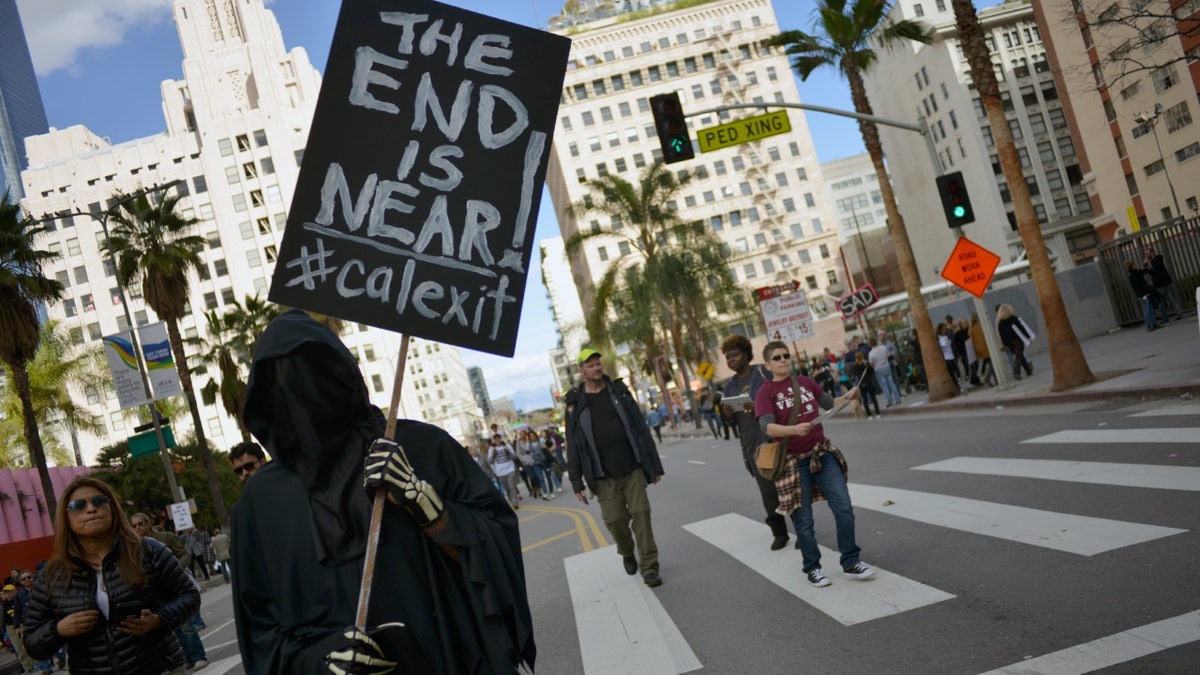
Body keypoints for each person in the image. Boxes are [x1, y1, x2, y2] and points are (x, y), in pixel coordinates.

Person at [232, 310, 534, 674]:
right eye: (286, 386)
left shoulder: (420, 448)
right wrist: (318, 661)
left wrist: (427, 506)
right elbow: (260, 631)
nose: (304, 397)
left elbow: (496, 541)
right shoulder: (262, 502)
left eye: (317, 374)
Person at [22, 477, 200, 675]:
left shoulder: (148, 551)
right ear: (66, 517)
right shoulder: (52, 575)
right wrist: (58, 630)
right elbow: (31, 641)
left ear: (112, 508)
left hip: (160, 667)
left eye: (99, 501)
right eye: (78, 505)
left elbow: (190, 596)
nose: (91, 509)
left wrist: (158, 619)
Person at [754, 341, 874, 588]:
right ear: (767, 365)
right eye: (777, 358)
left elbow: (831, 404)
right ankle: (813, 568)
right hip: (792, 462)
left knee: (843, 507)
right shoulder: (765, 392)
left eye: (786, 355)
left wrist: (850, 396)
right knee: (804, 521)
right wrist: (794, 430)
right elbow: (766, 426)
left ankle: (851, 561)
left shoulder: (805, 382)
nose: (783, 360)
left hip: (822, 453)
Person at [565, 348, 665, 588]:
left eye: (598, 364)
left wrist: (653, 464)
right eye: (590, 365)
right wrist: (576, 481)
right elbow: (574, 445)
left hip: (632, 468)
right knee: (615, 521)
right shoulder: (574, 403)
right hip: (602, 476)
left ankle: (650, 568)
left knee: (642, 515)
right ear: (582, 371)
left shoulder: (618, 390)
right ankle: (627, 550)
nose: (596, 368)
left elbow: (640, 427)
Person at [720, 334, 790, 550]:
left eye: (735, 354)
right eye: (728, 357)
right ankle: (779, 533)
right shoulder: (730, 386)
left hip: (774, 438)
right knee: (767, 492)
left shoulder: (761, 372)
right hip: (751, 446)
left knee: (789, 487)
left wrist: (760, 407)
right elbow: (732, 423)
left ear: (746, 354)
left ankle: (804, 529)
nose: (731, 359)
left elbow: (781, 397)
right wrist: (728, 413)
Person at [130, 513, 209, 668]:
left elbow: (185, 554)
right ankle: (187, 658)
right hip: (156, 593)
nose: (138, 528)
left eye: (140, 524)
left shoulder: (165, 538)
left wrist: (174, 567)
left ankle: (199, 656)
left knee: (187, 626)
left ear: (148, 524)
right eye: (134, 526)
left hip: (174, 587)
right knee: (173, 628)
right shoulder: (134, 546)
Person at [1125, 259, 1170, 331]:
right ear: (1132, 266)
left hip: (1145, 293)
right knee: (1147, 310)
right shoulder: (1132, 275)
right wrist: (1142, 295)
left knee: (1150, 309)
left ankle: (1154, 323)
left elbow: (1143, 271)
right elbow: (1137, 287)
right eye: (1135, 265)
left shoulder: (1135, 273)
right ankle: (1149, 325)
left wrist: (1147, 267)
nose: (1136, 266)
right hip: (1143, 295)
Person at [1143, 247, 1184, 319]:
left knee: (1161, 302)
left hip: (1161, 283)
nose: (1146, 255)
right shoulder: (1152, 261)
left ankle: (1165, 318)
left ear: (1152, 253)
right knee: (1170, 299)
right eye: (1145, 254)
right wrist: (1147, 265)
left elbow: (1154, 268)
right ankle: (1179, 313)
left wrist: (1147, 264)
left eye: (1147, 253)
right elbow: (1151, 272)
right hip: (1160, 284)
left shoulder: (1158, 258)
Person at [996, 304, 1035, 377]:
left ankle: (1028, 371)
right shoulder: (1014, 318)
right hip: (1017, 341)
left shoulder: (1000, 323)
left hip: (1008, 343)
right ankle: (1017, 372)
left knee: (1019, 355)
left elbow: (1001, 335)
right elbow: (1021, 328)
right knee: (1019, 356)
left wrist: (1004, 344)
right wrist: (1028, 336)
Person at [488, 433, 522, 510]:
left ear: (501, 439)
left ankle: (514, 502)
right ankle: (510, 499)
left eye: (498, 438)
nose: (497, 440)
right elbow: (490, 462)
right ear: (494, 440)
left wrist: (508, 451)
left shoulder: (507, 446)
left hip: (510, 469)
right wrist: (493, 453)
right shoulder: (491, 449)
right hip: (500, 472)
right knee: (506, 487)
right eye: (495, 439)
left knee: (512, 486)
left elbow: (514, 457)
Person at [867, 337, 901, 407]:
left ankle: (889, 401)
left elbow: (871, 363)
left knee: (884, 386)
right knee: (891, 383)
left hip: (878, 369)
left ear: (870, 344)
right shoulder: (883, 348)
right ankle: (897, 399)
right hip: (886, 366)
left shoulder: (871, 353)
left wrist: (874, 367)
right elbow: (888, 355)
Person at [969, 312, 996, 387]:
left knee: (990, 363)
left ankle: (996, 379)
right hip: (986, 347)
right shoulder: (980, 326)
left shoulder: (971, 329)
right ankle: (987, 378)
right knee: (993, 364)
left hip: (979, 349)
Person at [852, 352, 881, 420]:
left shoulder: (855, 366)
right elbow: (871, 371)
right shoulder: (866, 364)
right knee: (873, 398)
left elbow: (855, 374)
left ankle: (869, 414)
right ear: (862, 357)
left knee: (865, 399)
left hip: (861, 384)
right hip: (868, 382)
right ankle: (878, 413)